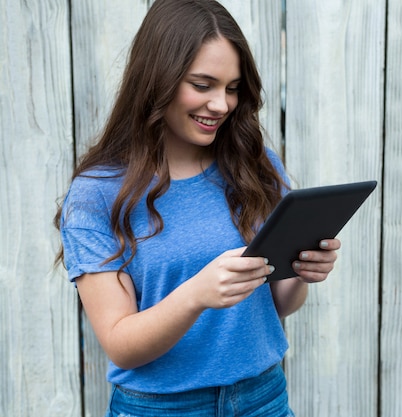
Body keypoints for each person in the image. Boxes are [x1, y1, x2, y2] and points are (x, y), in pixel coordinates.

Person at [55, 1, 340, 415]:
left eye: (232, 87)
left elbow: (278, 303)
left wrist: (302, 274)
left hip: (264, 399)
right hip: (161, 408)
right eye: (202, 85)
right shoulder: (98, 194)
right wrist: (196, 295)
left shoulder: (255, 166)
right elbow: (120, 345)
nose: (222, 105)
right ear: (157, 80)